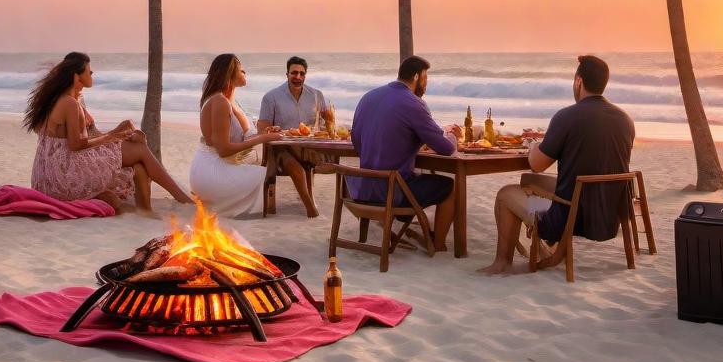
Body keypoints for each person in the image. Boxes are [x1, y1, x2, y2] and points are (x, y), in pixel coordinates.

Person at [477, 55, 635, 275]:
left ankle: (503, 262)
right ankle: (547, 249)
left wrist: (533, 145)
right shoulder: (624, 118)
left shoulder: (567, 116)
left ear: (578, 81)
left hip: (570, 216)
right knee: (529, 182)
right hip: (609, 214)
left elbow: (537, 164)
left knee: (506, 194)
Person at [26, 51, 193, 214]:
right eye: (88, 70)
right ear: (77, 76)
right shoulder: (69, 103)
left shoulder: (57, 99)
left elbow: (74, 140)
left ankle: (145, 210)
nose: (92, 73)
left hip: (45, 177)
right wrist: (111, 137)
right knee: (140, 149)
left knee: (137, 159)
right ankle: (182, 199)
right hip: (62, 177)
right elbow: (76, 144)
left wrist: (117, 133)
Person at [350, 55, 462, 252]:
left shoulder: (369, 96)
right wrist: (453, 135)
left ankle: (405, 226)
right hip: (390, 192)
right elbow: (446, 149)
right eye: (426, 79)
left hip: (361, 188)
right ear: (417, 76)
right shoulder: (413, 103)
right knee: (451, 186)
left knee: (415, 179)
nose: (426, 85)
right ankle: (438, 243)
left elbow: (356, 142)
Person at [190, 54, 283, 217]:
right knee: (266, 172)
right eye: (241, 70)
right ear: (230, 74)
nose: (245, 72)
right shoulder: (219, 101)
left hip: (216, 166)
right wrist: (263, 139)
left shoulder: (229, 100)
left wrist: (265, 132)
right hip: (211, 173)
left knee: (265, 162)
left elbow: (243, 137)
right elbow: (223, 150)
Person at [256, 55, 329, 217]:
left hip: (309, 147)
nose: (298, 77)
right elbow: (262, 128)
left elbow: (326, 122)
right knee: (294, 166)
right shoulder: (271, 97)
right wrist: (271, 129)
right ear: (287, 74)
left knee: (339, 163)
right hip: (281, 149)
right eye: (294, 73)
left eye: (302, 74)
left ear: (305, 75)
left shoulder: (316, 95)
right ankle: (311, 209)